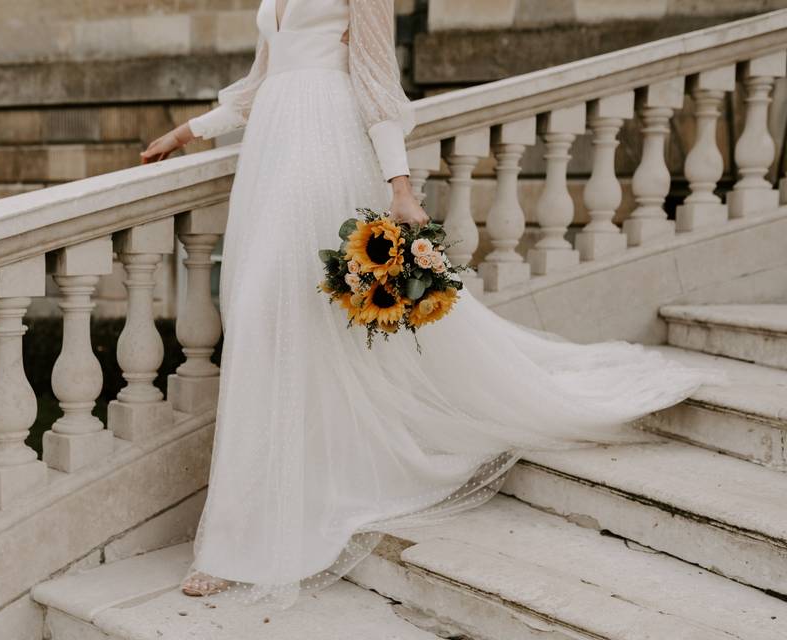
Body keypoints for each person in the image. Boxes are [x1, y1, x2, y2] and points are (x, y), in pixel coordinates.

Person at [140, 0, 723, 606]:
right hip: (271, 156)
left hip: (325, 152)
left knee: (293, 316)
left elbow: (374, 80)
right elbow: (259, 86)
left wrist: (399, 185)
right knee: (261, 319)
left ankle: (246, 539)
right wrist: (186, 133)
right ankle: (257, 514)